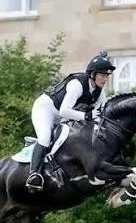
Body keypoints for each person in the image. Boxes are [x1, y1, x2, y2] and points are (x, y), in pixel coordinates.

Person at [25, 50, 116, 191]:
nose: (105, 79)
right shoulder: (77, 85)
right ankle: (34, 175)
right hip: (46, 109)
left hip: (64, 116)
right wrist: (87, 116)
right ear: (93, 74)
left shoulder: (99, 92)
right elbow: (64, 111)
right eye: (103, 75)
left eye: (107, 76)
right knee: (44, 137)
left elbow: (101, 114)